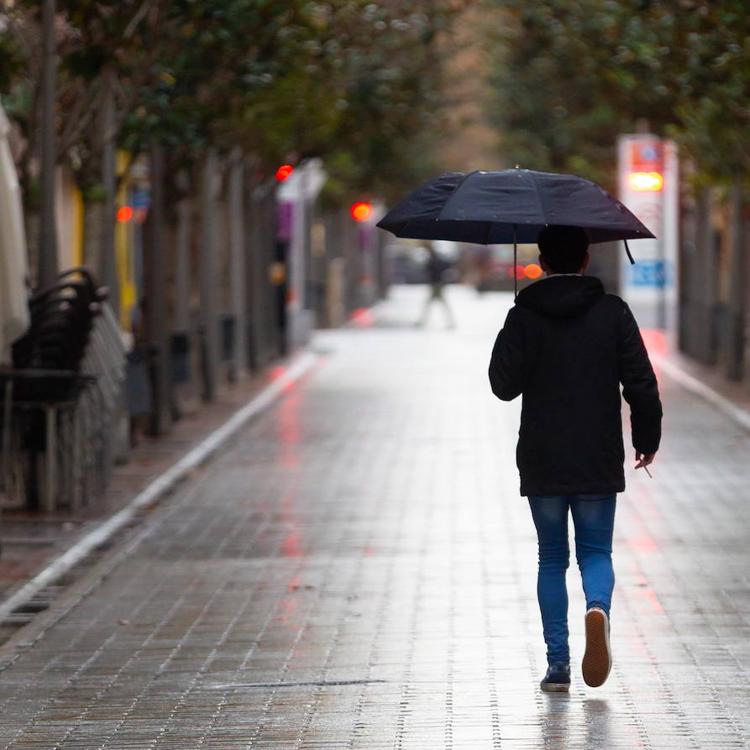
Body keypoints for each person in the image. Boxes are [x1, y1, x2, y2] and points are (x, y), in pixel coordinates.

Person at [488, 224, 662, 692]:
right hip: (597, 453)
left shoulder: (525, 315)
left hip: (543, 455)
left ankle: (558, 664)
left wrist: (515, 324)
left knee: (550, 558)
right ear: (586, 259)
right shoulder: (613, 313)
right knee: (595, 552)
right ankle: (598, 608)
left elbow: (502, 387)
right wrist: (646, 438)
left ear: (542, 261)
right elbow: (641, 383)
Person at [418, 243, 455, 328]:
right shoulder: (434, 258)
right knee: (435, 303)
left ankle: (450, 322)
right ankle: (450, 322)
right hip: (437, 283)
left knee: (437, 303)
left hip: (437, 284)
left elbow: (432, 270)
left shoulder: (433, 259)